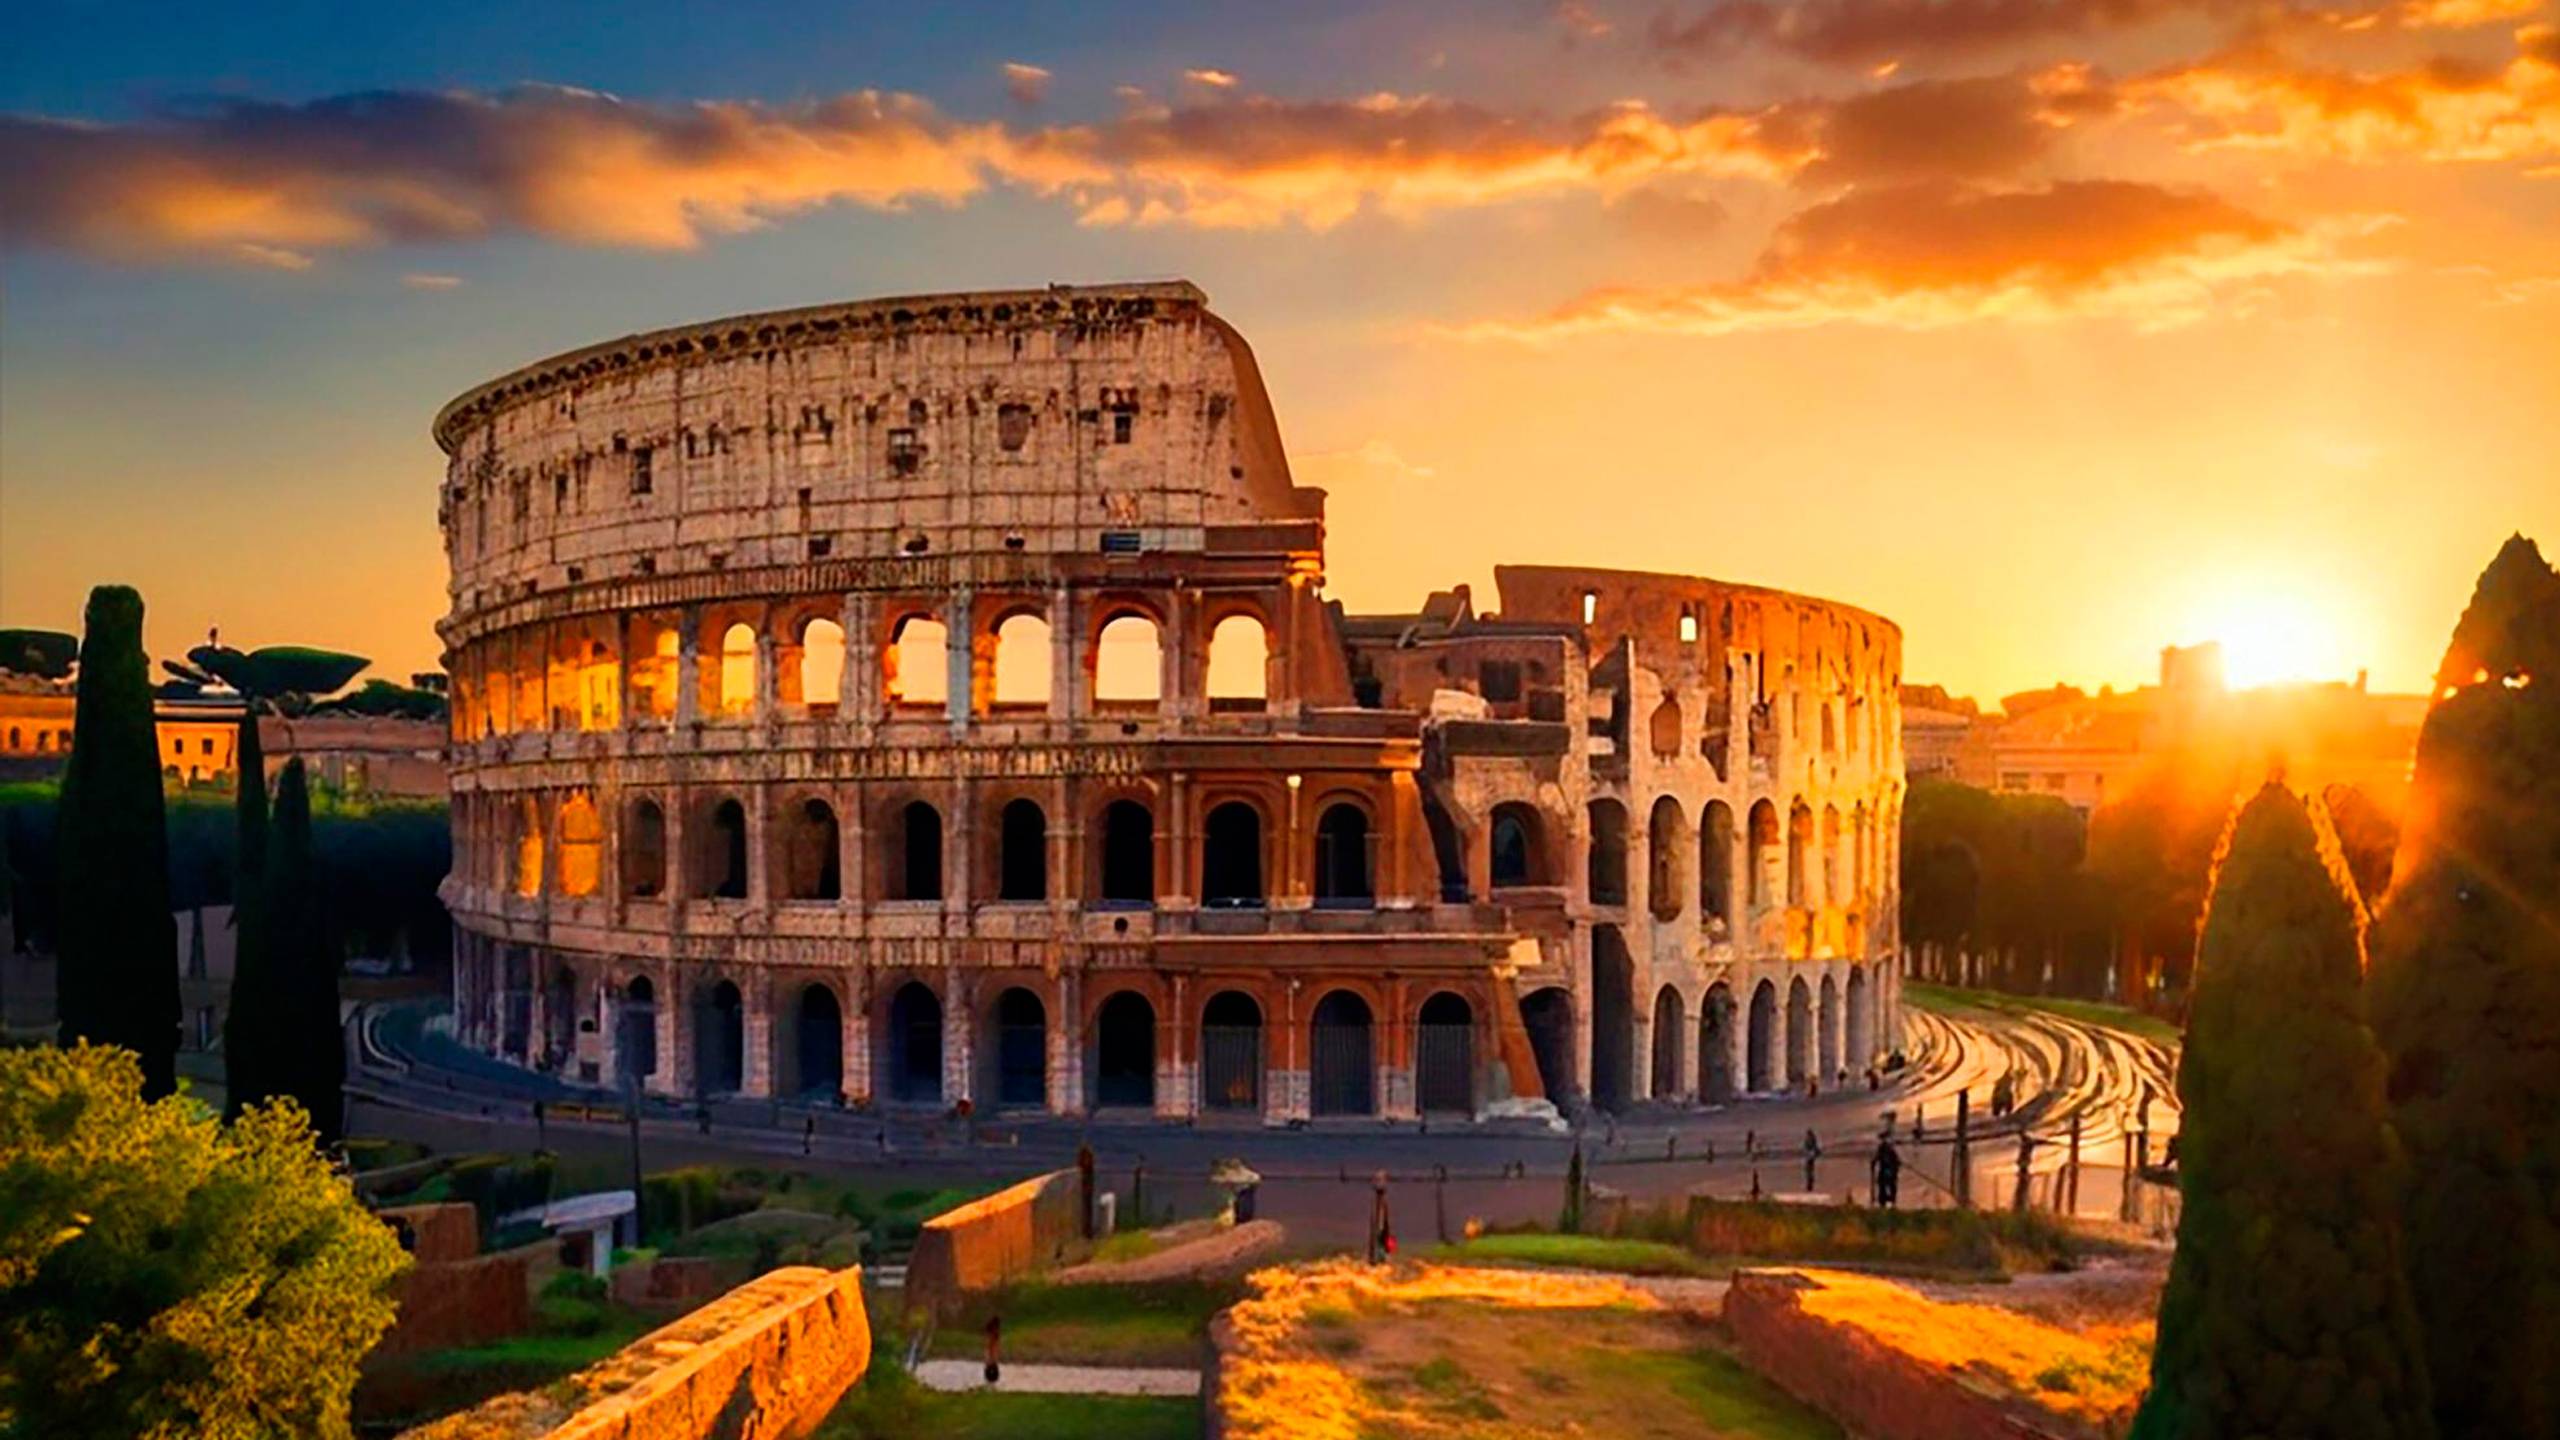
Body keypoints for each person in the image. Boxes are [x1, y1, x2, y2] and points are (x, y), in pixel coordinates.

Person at [1872, 1136, 1903, 1209]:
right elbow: (1877, 1158)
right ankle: (1885, 1202)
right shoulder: (1883, 1149)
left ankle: (1891, 1202)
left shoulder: (1889, 1150)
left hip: (1889, 1171)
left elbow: (1896, 1161)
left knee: (1889, 1186)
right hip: (1886, 1171)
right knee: (1884, 1186)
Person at [983, 1313, 1002, 1388]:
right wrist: (992, 1357)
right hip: (992, 1357)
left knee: (991, 1374)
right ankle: (991, 1387)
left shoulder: (992, 1334)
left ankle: (990, 1386)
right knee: (992, 1374)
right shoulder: (993, 1334)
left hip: (991, 1356)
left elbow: (990, 1346)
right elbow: (991, 1346)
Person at [1802, 1128, 1821, 1193]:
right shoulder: (1813, 1139)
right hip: (1811, 1156)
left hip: (1810, 1156)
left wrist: (1808, 1152)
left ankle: (1810, 1181)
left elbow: (1807, 1147)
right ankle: (1810, 1180)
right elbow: (1814, 1147)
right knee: (1810, 1169)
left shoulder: (1809, 1140)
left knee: (1809, 1169)